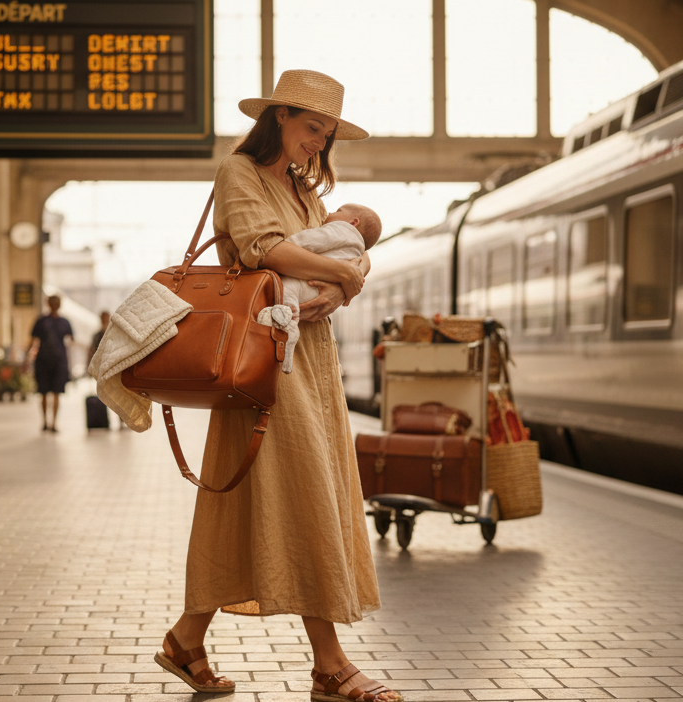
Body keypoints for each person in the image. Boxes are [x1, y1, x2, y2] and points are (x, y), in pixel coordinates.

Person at [153, 70, 402, 702]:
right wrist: (346, 279)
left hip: (308, 362)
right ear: (280, 118)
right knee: (306, 494)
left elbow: (338, 249)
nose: (318, 144)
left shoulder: (303, 188)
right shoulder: (240, 173)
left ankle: (185, 639)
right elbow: (265, 248)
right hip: (262, 358)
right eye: (311, 128)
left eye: (327, 135)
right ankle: (331, 665)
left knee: (247, 504)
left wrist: (347, 275)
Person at [262, 202, 382, 372]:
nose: (330, 212)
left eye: (338, 211)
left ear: (353, 222)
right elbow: (362, 259)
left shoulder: (339, 229)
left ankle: (284, 320)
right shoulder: (356, 244)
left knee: (286, 288)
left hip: (307, 282)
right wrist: (345, 280)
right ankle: (290, 323)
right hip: (319, 290)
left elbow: (306, 241)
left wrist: (286, 246)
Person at [25, 294, 73, 432]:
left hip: (58, 362)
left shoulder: (64, 322)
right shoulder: (42, 321)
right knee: (44, 392)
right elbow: (33, 341)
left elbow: (70, 341)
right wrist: (27, 358)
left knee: (56, 392)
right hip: (44, 361)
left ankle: (53, 422)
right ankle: (46, 421)